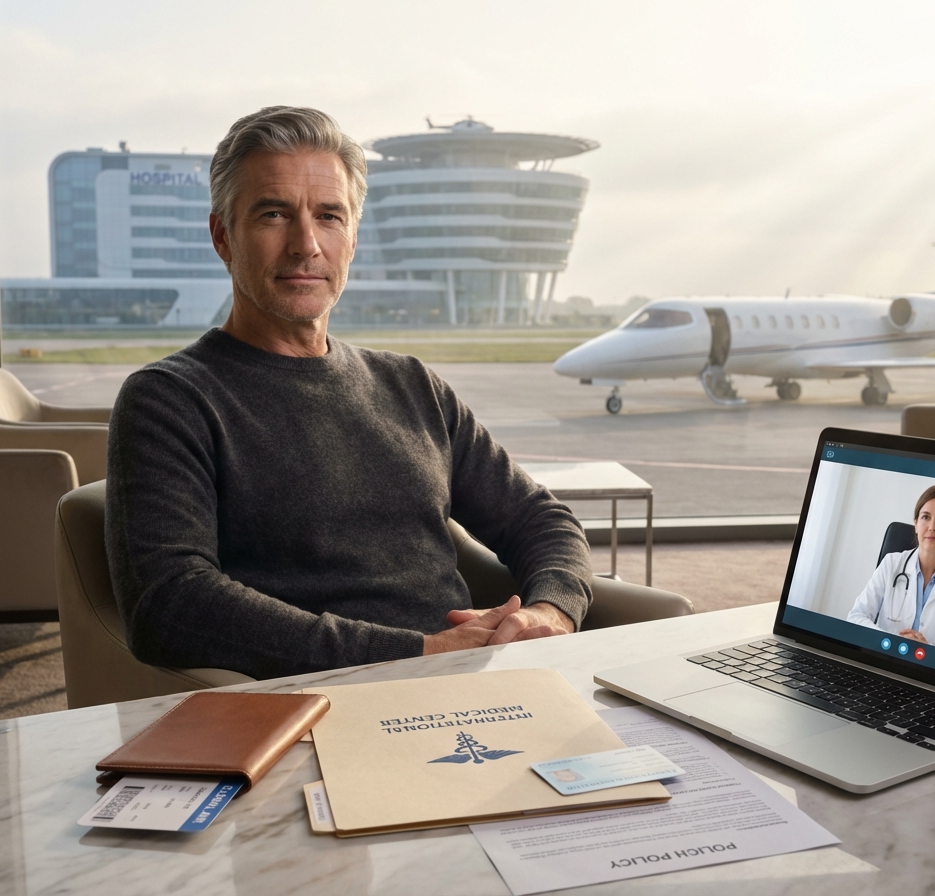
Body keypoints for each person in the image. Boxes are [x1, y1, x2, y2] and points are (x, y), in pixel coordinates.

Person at [105, 107, 592, 680]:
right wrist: (419, 655)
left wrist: (550, 612)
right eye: (273, 214)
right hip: (321, 706)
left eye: (329, 216)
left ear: (352, 238)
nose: (305, 244)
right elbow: (169, 605)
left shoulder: (413, 386)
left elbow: (540, 519)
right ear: (223, 236)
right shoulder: (170, 400)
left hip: (473, 685)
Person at [847, 484, 935, 659]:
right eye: (926, 517)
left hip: (929, 676)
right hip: (882, 663)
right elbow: (856, 617)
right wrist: (893, 642)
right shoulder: (891, 564)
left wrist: (929, 649)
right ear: (915, 523)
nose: (932, 526)